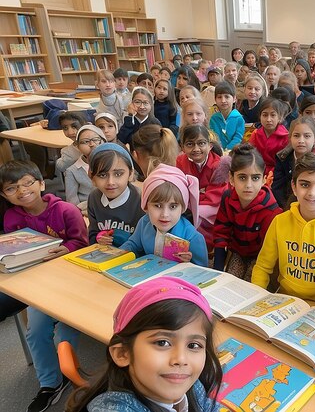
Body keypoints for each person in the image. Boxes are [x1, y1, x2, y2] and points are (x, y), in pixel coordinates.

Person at [0, 160, 88, 412]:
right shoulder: (12, 216)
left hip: (74, 281)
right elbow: (13, 249)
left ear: (41, 183)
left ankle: (73, 374)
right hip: (39, 286)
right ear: (4, 194)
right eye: (11, 188)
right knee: (36, 331)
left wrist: (66, 248)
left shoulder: (66, 211)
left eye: (27, 183)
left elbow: (83, 244)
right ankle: (50, 384)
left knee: (64, 334)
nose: (21, 191)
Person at [66, 276, 222, 411]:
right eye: (162, 343)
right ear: (123, 353)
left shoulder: (191, 386)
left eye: (194, 345)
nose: (181, 359)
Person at [251, 153, 315, 313]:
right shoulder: (279, 221)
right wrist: (256, 294)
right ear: (294, 187)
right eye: (305, 184)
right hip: (283, 299)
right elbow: (263, 266)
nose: (312, 193)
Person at [213, 144, 282, 280]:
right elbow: (221, 232)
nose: (248, 185)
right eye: (242, 178)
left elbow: (269, 252)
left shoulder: (271, 211)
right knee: (228, 282)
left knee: (249, 286)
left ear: (263, 179)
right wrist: (218, 270)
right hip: (238, 252)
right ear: (232, 179)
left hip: (260, 257)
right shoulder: (227, 198)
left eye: (255, 178)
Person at [121, 164, 209, 266]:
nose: (165, 214)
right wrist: (116, 256)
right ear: (146, 206)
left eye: (173, 207)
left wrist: (188, 263)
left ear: (182, 208)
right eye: (158, 206)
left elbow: (203, 272)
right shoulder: (144, 223)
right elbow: (132, 245)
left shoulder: (192, 237)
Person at [175, 124, 228, 252]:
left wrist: (195, 197)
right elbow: (180, 189)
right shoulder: (181, 161)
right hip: (189, 205)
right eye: (190, 144)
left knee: (194, 218)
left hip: (214, 206)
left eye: (201, 143)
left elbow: (215, 197)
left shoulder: (219, 165)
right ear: (182, 147)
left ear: (209, 146)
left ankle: (203, 249)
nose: (196, 149)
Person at [87, 143, 143, 247]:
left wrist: (120, 236)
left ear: (130, 174)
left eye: (118, 174)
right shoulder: (94, 198)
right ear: (92, 178)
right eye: (102, 175)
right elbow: (92, 235)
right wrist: (98, 238)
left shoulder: (141, 200)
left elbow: (145, 242)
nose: (110, 182)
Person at [272, 116, 315, 209]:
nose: (301, 141)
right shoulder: (283, 157)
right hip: (287, 204)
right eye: (296, 136)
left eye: (307, 136)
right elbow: (278, 187)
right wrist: (286, 208)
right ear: (290, 138)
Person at [65, 125, 106, 214]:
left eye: (95, 140)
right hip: (86, 210)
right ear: (77, 146)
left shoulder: (112, 163)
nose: (91, 144)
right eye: (85, 142)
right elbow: (72, 201)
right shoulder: (72, 171)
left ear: (103, 141)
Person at [248, 97, 290, 175]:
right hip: (258, 170)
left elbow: (285, 163)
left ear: (280, 118)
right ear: (260, 117)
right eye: (265, 115)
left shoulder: (286, 137)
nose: (268, 119)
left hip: (278, 173)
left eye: (273, 115)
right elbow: (251, 155)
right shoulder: (256, 134)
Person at [210, 81, 245, 150]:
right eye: (219, 97)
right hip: (217, 152)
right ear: (215, 100)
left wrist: (228, 149)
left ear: (234, 99)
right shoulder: (213, 119)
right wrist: (219, 150)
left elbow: (238, 137)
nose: (223, 100)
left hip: (234, 152)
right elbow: (213, 137)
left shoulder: (239, 118)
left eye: (227, 97)